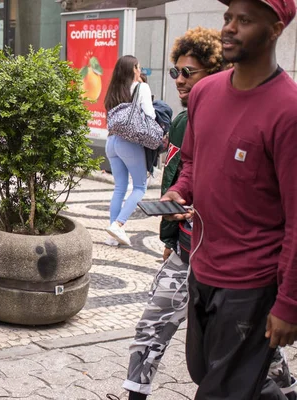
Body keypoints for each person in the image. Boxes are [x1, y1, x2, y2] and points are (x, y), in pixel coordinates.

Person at [162, 0, 297, 398]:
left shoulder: (288, 110)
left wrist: (289, 303)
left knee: (221, 391)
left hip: (252, 283)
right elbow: (191, 163)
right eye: (227, 18)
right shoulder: (204, 93)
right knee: (205, 372)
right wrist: (178, 191)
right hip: (202, 268)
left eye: (244, 20)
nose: (229, 28)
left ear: (274, 29)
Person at [124, 27, 229, 400]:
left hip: (228, 263)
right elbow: (183, 175)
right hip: (186, 250)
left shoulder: (235, 120)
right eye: (175, 72)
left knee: (248, 351)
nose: (179, 80)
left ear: (215, 73)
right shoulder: (185, 121)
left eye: (189, 72)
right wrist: (172, 219)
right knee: (151, 327)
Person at [103, 55, 155, 247]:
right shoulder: (141, 87)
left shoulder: (114, 90)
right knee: (140, 187)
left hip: (111, 141)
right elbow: (150, 114)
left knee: (119, 188)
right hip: (129, 142)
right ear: (133, 69)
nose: (140, 70)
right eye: (138, 67)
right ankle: (119, 224)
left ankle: (112, 236)